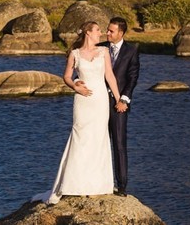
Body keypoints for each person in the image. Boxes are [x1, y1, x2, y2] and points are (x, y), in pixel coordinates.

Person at [37, 21, 124, 205]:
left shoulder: (104, 52)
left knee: (98, 138)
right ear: (88, 33)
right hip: (82, 101)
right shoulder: (75, 54)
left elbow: (110, 76)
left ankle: (96, 186)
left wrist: (118, 99)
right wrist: (75, 86)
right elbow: (67, 76)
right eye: (98, 30)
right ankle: (75, 184)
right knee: (81, 137)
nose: (101, 33)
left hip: (100, 100)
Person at [99, 16, 140, 196]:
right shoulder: (100, 48)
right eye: (107, 30)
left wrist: (123, 100)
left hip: (119, 105)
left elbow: (132, 78)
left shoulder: (131, 51)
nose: (107, 33)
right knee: (97, 143)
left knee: (119, 144)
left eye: (111, 31)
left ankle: (122, 185)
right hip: (98, 103)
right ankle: (98, 182)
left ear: (121, 33)